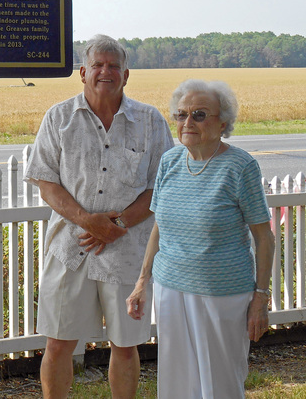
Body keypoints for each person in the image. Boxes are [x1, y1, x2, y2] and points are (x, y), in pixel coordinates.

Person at [24, 34, 174, 399]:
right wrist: (87, 220)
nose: (105, 72)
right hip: (69, 250)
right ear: (83, 72)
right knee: (58, 343)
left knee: (125, 344)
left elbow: (160, 186)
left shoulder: (150, 121)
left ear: (126, 75)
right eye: (98, 65)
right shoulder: (59, 118)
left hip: (128, 252)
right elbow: (45, 182)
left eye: (114, 66)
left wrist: (117, 225)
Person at [126, 79, 274, 398]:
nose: (188, 122)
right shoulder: (170, 161)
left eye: (200, 114)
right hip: (170, 289)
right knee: (177, 383)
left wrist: (260, 298)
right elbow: (159, 227)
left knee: (220, 384)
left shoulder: (240, 166)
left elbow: (264, 237)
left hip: (222, 294)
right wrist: (142, 282)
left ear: (223, 123)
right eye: (181, 114)